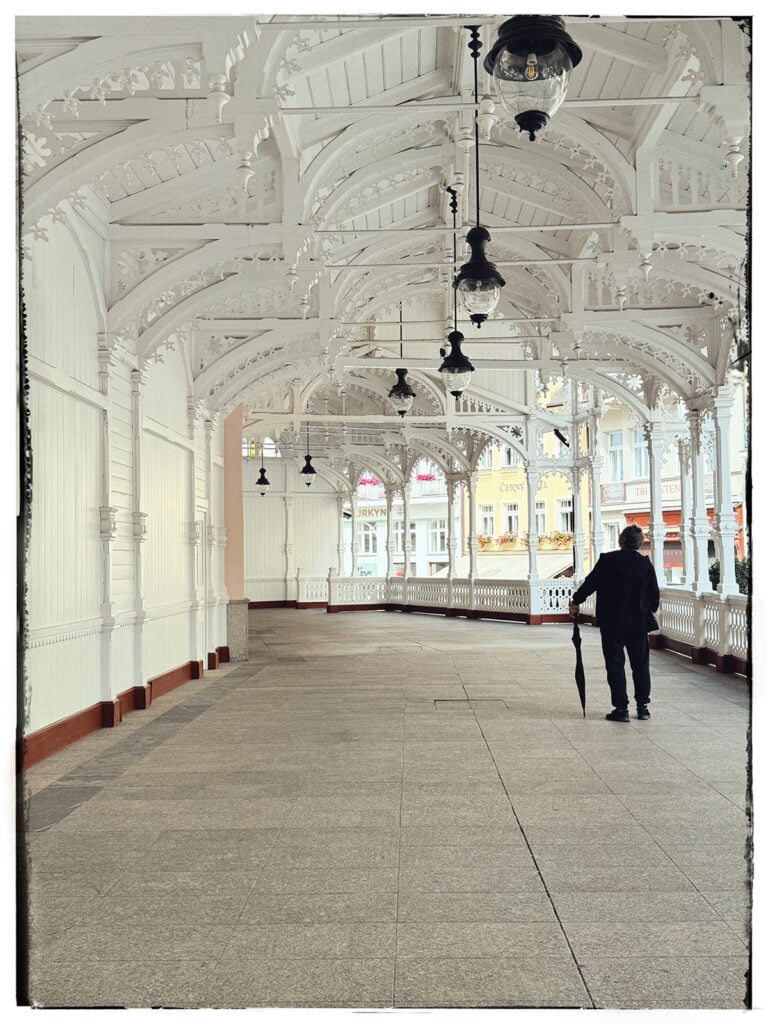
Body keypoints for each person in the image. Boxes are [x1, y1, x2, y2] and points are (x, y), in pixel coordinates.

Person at [569, 524, 660, 722]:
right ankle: (643, 707)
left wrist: (576, 601)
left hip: (612, 623)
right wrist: (644, 608)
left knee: (615, 664)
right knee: (641, 665)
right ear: (640, 543)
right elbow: (654, 598)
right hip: (638, 624)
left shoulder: (608, 561)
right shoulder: (645, 565)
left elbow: (590, 584)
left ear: (621, 541)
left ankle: (621, 708)